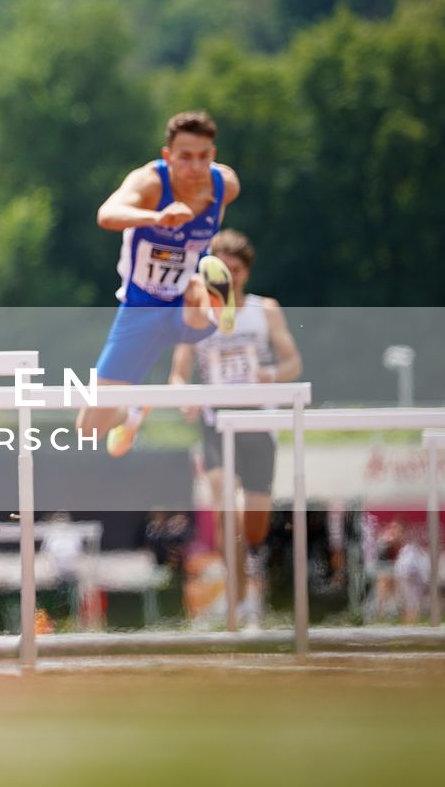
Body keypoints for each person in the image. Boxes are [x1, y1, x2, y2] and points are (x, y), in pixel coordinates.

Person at [84, 109, 241, 456]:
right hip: (140, 309)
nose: (195, 167)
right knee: (88, 428)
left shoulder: (224, 185)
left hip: (186, 306)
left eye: (204, 157)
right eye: (185, 157)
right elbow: (107, 214)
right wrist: (157, 216)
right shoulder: (150, 183)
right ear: (167, 156)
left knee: (196, 281)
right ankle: (133, 410)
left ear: (213, 155)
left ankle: (214, 304)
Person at [170, 229, 303, 624]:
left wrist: (271, 375)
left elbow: (293, 363)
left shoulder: (265, 310)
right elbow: (178, 372)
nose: (227, 278)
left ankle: (254, 570)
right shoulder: (196, 312)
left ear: (245, 273)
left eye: (235, 270)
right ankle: (240, 599)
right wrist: (185, 396)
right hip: (216, 422)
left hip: (259, 420)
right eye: (219, 270)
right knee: (224, 505)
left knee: (256, 527)